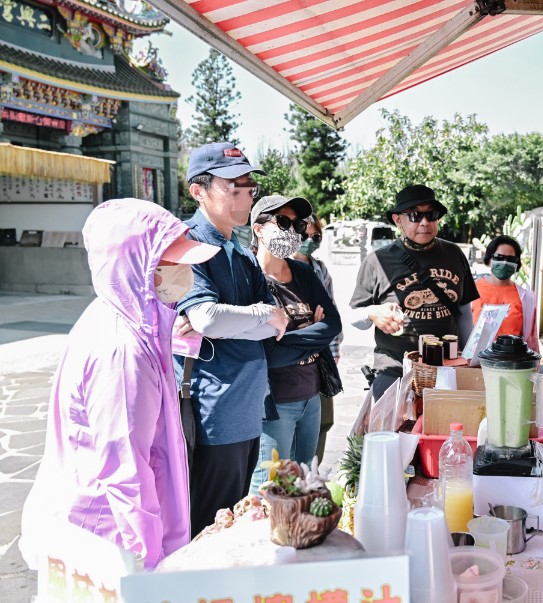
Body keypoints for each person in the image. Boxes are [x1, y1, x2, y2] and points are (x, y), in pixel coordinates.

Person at [19, 198, 220, 569]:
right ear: (137, 267)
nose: (185, 273)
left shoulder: (118, 315)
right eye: (174, 263)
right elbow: (125, 471)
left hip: (107, 531)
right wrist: (149, 562)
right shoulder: (122, 352)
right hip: (111, 540)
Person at [176, 142, 290, 536]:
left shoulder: (240, 252)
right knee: (207, 528)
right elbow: (207, 318)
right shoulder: (186, 246)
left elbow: (278, 323)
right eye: (232, 185)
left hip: (247, 408)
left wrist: (239, 319)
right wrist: (256, 315)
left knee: (233, 523)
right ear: (198, 191)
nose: (244, 194)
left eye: (248, 185)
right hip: (214, 411)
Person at [248, 196, 342, 493]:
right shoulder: (249, 277)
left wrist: (289, 337)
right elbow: (266, 353)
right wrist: (314, 333)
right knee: (270, 493)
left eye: (298, 224)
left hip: (311, 398)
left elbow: (334, 324)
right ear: (258, 229)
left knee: (303, 488)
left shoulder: (303, 272)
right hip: (276, 406)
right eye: (284, 223)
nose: (294, 232)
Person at [350, 184, 479, 400]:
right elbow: (354, 316)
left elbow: (464, 310)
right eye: (414, 216)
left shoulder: (454, 253)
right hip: (395, 368)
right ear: (397, 220)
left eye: (431, 215)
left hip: (446, 366)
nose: (424, 222)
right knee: (393, 431)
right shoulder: (377, 261)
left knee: (445, 429)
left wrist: (468, 359)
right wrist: (372, 312)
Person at [293, 214, 343, 462]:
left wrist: (333, 351)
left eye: (315, 237)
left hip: (322, 358)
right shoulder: (281, 268)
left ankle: (313, 478)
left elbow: (330, 314)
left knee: (323, 421)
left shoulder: (319, 268)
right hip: (291, 366)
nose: (309, 241)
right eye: (304, 235)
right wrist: (312, 324)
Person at [472, 235, 539, 352]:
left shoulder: (526, 298)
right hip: (474, 364)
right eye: (499, 257)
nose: (504, 262)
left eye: (511, 259)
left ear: (516, 264)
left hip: (511, 365)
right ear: (489, 260)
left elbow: (531, 341)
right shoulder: (470, 290)